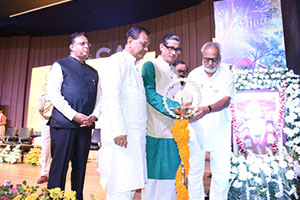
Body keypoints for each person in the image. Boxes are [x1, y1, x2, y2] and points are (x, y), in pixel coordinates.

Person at [97, 26, 151, 200]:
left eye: (147, 45)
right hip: (121, 137)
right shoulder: (117, 61)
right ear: (129, 41)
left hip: (133, 138)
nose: (146, 48)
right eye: (143, 43)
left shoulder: (134, 67)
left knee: (129, 184)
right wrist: (119, 129)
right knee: (119, 186)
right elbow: (111, 97)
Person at [47, 32, 101, 200]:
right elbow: (54, 94)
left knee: (80, 168)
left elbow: (100, 98)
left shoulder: (93, 72)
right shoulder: (60, 65)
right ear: (71, 47)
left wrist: (94, 116)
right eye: (82, 44)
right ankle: (54, 198)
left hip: (85, 127)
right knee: (59, 167)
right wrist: (74, 115)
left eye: (88, 44)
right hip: (63, 125)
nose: (86, 47)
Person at [186, 42, 235, 200]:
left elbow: (226, 100)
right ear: (202, 58)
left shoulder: (226, 74)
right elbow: (187, 97)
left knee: (221, 173)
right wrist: (186, 107)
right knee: (194, 172)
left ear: (220, 58)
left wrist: (207, 109)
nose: (210, 63)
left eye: (214, 59)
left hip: (220, 130)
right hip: (196, 129)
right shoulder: (194, 74)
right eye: (207, 59)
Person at [141, 34, 182, 200]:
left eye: (177, 49)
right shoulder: (150, 66)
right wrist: (175, 108)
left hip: (173, 132)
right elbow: (149, 94)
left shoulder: (174, 71)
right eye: (170, 47)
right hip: (154, 131)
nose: (173, 52)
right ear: (161, 47)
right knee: (151, 180)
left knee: (170, 178)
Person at [37, 90, 53, 184]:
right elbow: (40, 109)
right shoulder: (45, 95)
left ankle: (56, 174)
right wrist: (46, 116)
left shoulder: (65, 92)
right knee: (46, 149)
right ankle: (44, 174)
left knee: (60, 150)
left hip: (62, 125)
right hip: (47, 124)